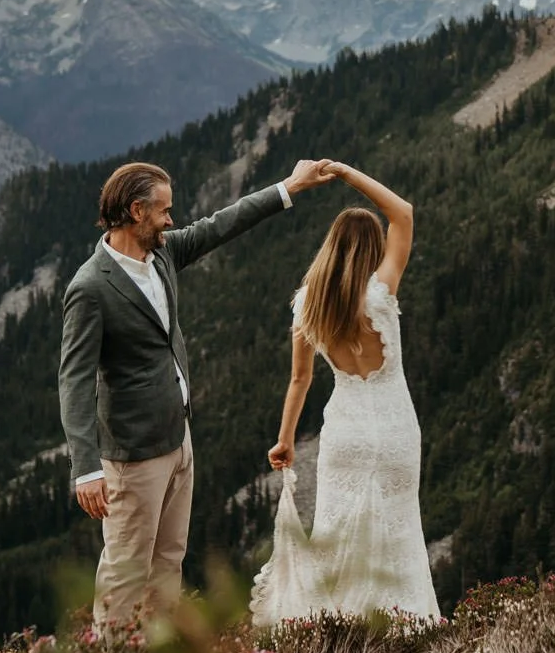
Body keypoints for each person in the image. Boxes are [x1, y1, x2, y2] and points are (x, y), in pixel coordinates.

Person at [61, 157, 335, 626]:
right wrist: (85, 468)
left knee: (168, 560)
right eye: (163, 210)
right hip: (133, 454)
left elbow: (221, 224)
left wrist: (289, 187)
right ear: (135, 211)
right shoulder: (90, 288)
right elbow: (74, 379)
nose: (172, 220)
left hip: (178, 438)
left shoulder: (162, 253)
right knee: (126, 569)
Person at [250, 162, 441, 625]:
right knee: (398, 530)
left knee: (335, 531)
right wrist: (348, 174)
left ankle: (336, 631)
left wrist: (285, 439)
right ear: (375, 248)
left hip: (346, 433)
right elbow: (404, 213)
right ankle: (404, 628)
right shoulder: (382, 292)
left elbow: (300, 379)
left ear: (330, 247)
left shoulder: (308, 305)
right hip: (395, 429)